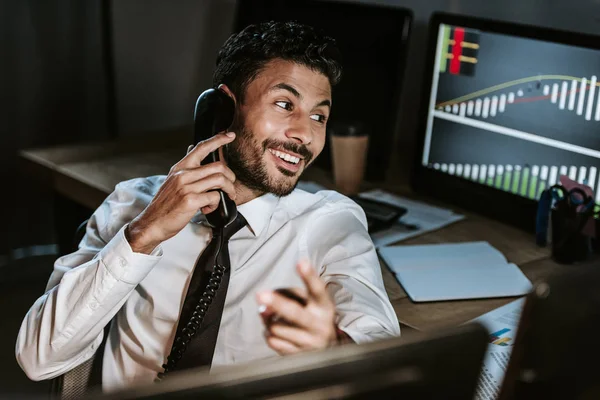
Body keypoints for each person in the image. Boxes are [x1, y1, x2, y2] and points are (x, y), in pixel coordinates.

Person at [15, 20, 400, 392]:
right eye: (285, 104)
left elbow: (385, 361)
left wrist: (333, 349)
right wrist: (142, 236)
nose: (305, 133)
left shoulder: (331, 223)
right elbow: (39, 359)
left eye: (319, 116)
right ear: (223, 108)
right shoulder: (131, 204)